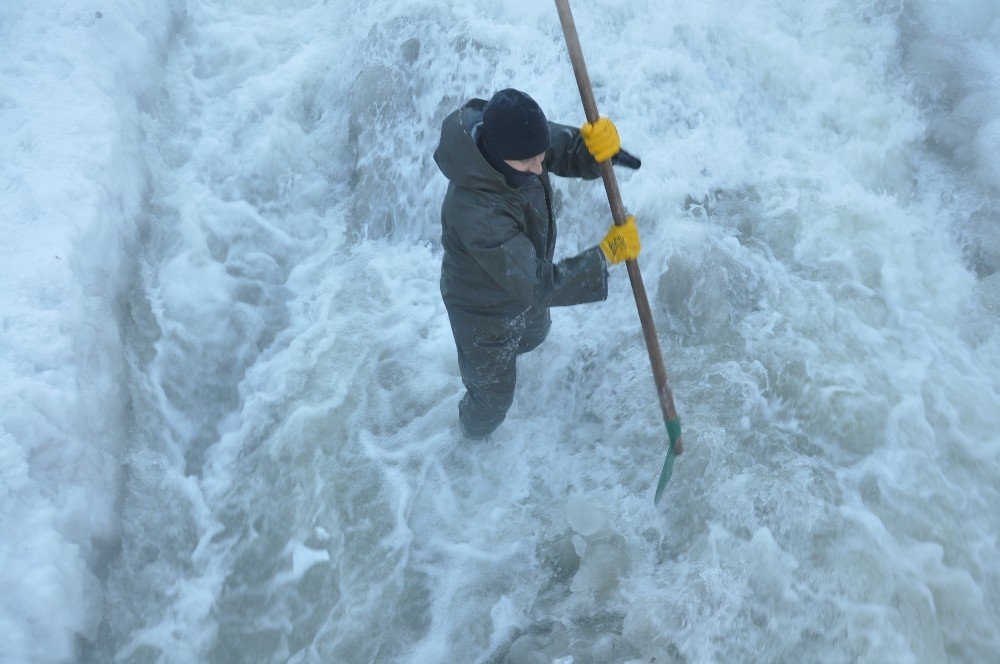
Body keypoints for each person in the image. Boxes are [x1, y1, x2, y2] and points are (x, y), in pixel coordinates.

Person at [434, 88, 642, 438]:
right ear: (497, 157)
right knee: (493, 398)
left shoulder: (517, 137)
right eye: (528, 162)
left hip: (522, 279)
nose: (539, 167)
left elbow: (560, 150)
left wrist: (594, 151)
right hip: (481, 310)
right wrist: (605, 255)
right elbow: (538, 285)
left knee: (534, 334)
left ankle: (497, 366)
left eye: (540, 156)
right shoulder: (479, 212)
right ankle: (466, 441)